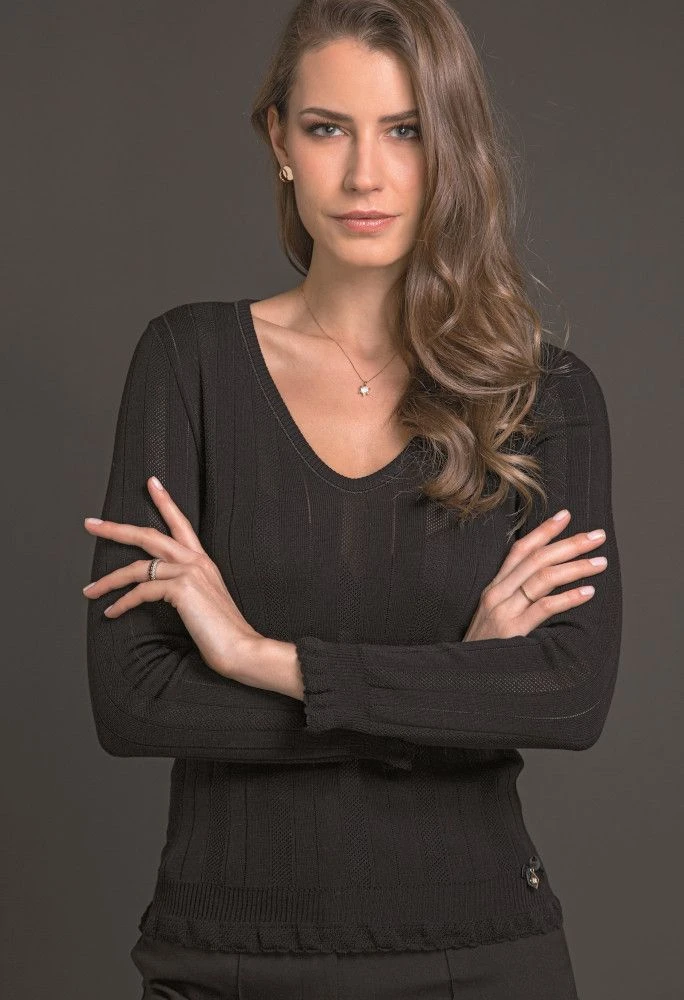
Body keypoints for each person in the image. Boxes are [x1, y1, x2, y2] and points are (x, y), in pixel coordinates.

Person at [83, 1, 622, 997]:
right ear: (280, 142)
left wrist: (255, 657)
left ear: (451, 148)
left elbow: (570, 693)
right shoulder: (187, 364)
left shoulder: (544, 397)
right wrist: (456, 685)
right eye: (329, 128)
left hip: (477, 955)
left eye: (405, 130)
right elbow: (134, 700)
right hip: (225, 957)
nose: (365, 174)